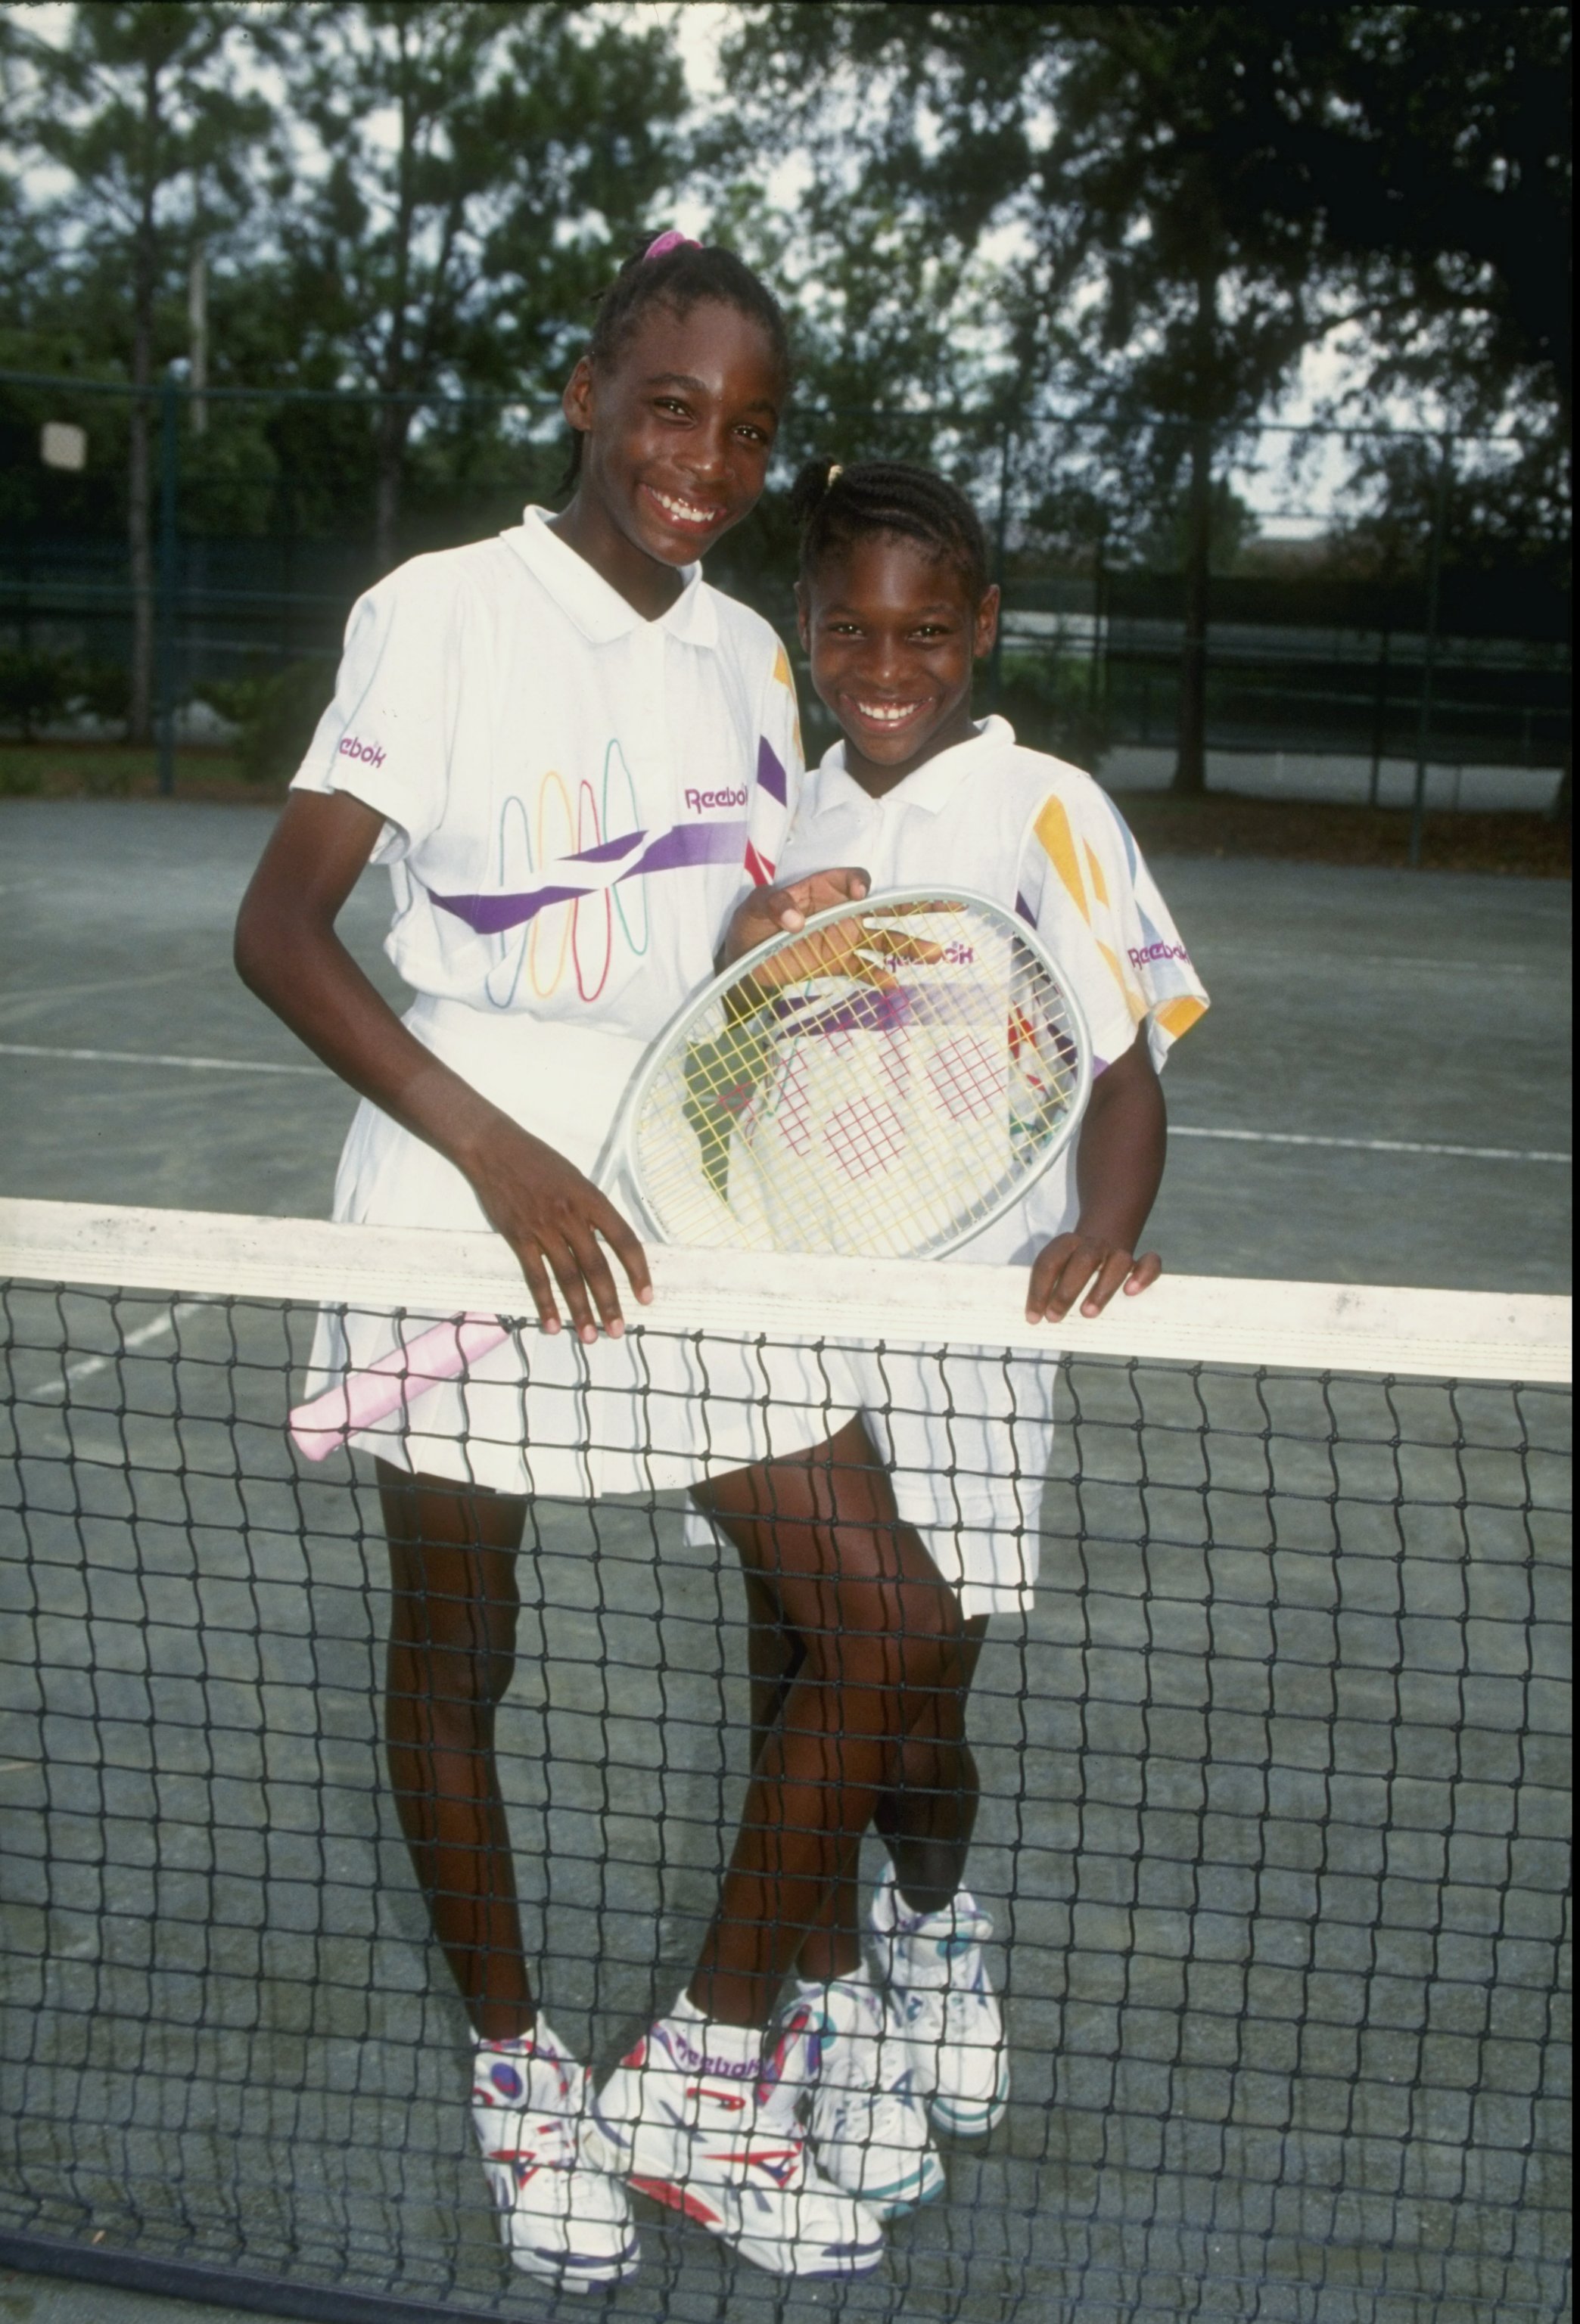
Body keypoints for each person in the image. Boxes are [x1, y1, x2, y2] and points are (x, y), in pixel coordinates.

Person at [233, 237, 884, 2291]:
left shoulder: (747, 661)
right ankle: (520, 2079)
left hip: (686, 1185)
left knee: (879, 1618)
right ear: (591, 392)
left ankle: (695, 2071)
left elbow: (721, 936)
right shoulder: (435, 613)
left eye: (749, 429)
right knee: (460, 1654)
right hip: (465, 1189)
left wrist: (786, 946)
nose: (706, 457)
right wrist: (498, 1154)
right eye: (673, 405)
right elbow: (283, 931)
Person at [638, 455, 1210, 2220]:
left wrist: (1103, 1232)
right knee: (793, 1659)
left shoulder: (1044, 804)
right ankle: (820, 2008)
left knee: (918, 1684)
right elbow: (717, 1055)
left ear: (978, 633)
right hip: (795, 1301)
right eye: (851, 629)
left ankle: (933, 1924)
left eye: (924, 631)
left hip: (969, 1325)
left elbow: (1124, 1068)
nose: (887, 663)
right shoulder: (784, 814)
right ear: (809, 632)